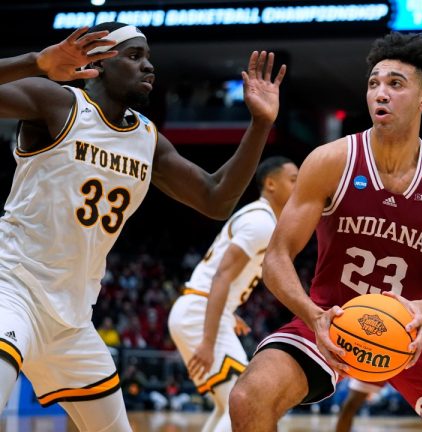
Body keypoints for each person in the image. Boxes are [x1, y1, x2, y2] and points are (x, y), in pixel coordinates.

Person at [0, 23, 285, 430]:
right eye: (134, 57)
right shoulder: (58, 103)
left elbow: (216, 198)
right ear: (98, 64)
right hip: (12, 289)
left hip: (73, 320)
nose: (148, 67)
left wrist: (259, 125)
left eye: (148, 58)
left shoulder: (147, 139)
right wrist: (35, 62)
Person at [229, 31, 422, 431]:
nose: (380, 93)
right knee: (248, 397)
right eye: (374, 84)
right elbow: (277, 257)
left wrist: (421, 311)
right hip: (330, 317)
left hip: (410, 329)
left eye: (395, 84)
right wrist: (313, 314)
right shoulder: (332, 160)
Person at [168, 156, 298, 432]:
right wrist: (208, 339)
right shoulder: (261, 222)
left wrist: (228, 311)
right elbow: (222, 275)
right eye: (293, 180)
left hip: (199, 309)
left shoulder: (260, 218)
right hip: (198, 313)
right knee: (248, 401)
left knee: (228, 404)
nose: (299, 186)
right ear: (271, 184)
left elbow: (221, 274)